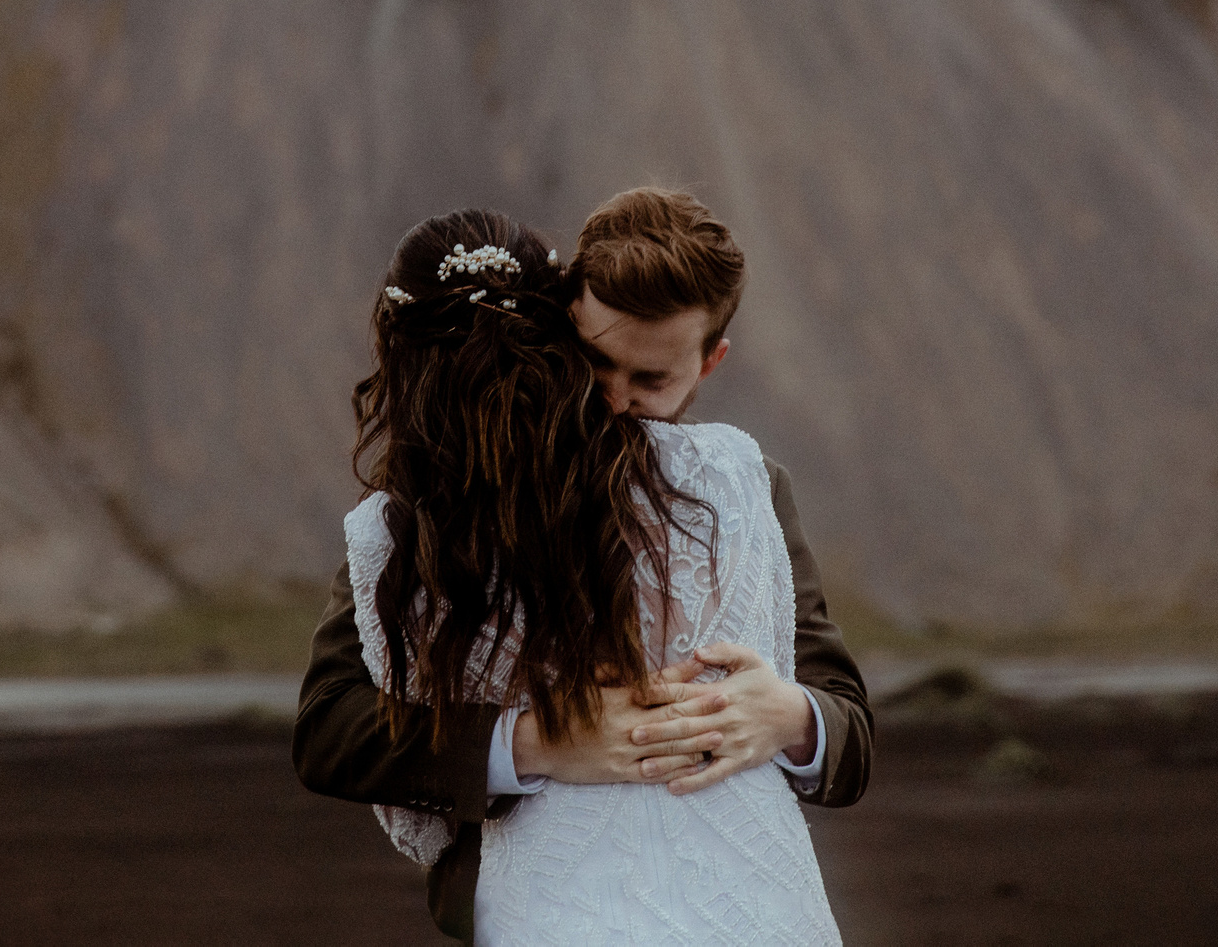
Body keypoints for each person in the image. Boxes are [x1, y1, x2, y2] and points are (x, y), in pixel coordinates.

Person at [294, 189, 871, 943]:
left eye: (650, 380)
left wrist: (790, 717)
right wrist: (532, 741)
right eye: (594, 361)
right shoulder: (432, 499)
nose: (611, 399)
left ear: (710, 361)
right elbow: (331, 726)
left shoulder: (745, 485)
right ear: (564, 316)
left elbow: (849, 726)